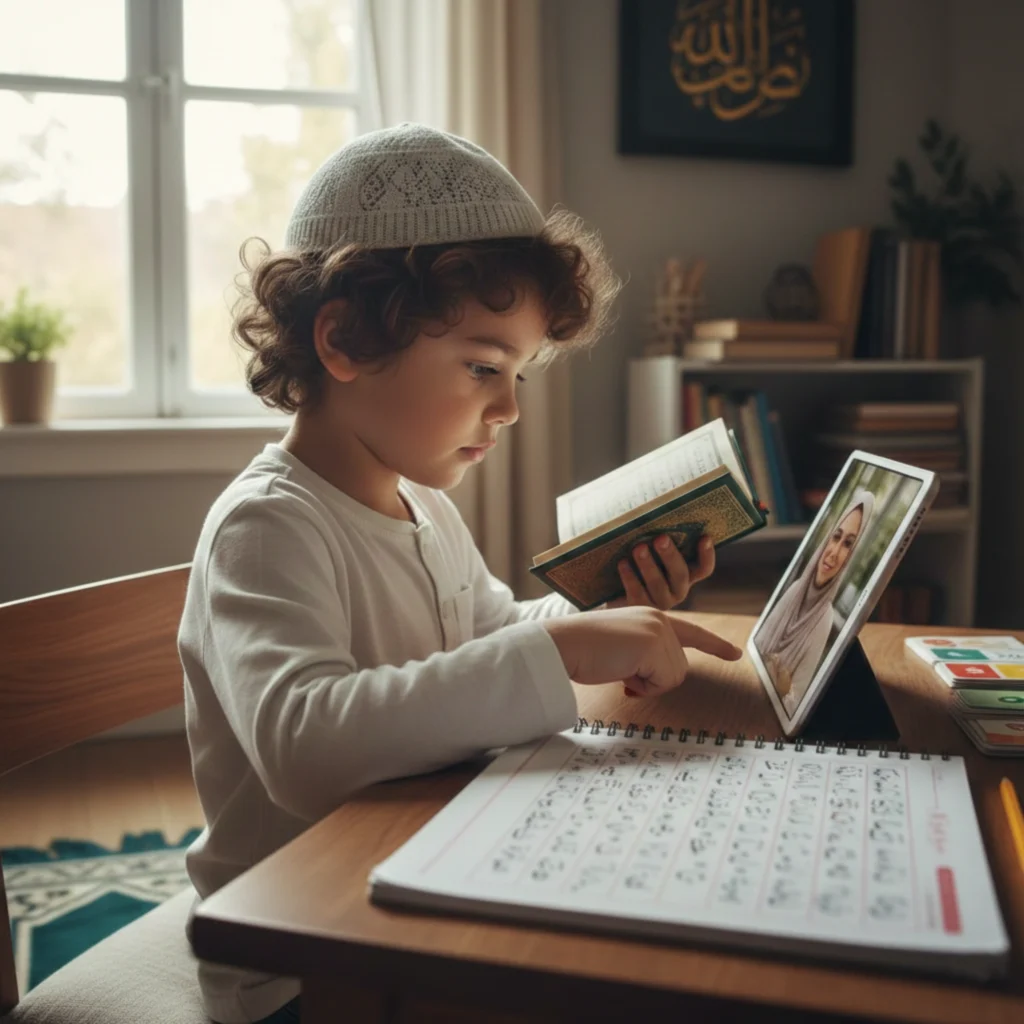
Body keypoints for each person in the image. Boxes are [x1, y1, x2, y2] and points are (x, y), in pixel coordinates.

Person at [177, 123, 742, 1024]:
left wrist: (600, 611)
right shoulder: (268, 524)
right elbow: (304, 744)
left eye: (516, 372)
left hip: (420, 881)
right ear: (345, 342)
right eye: (484, 365)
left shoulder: (422, 504)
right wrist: (559, 651)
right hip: (301, 961)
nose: (511, 407)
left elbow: (481, 631)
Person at [758, 487, 875, 716]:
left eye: (848, 544)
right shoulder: (795, 590)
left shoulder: (823, 618)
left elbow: (795, 704)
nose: (834, 552)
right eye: (836, 537)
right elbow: (758, 649)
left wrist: (781, 687)